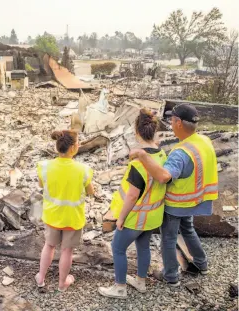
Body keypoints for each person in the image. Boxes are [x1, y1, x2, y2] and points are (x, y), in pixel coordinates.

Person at [129, 103, 218, 286]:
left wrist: (143, 156)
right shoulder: (203, 140)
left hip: (177, 202)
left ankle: (171, 276)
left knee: (168, 238)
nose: (169, 123)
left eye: (171, 120)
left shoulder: (180, 153)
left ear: (178, 122)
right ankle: (202, 264)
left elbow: (163, 176)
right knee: (188, 229)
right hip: (195, 199)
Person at [98, 109, 167, 299]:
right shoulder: (162, 155)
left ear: (136, 133)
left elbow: (131, 196)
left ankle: (119, 287)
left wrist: (120, 218)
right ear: (154, 132)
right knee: (143, 247)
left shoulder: (138, 163)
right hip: (153, 215)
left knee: (118, 248)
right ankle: (141, 281)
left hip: (135, 216)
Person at [35, 130, 94, 291]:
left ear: (57, 147)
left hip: (52, 215)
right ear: (74, 147)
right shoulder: (83, 170)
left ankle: (41, 278)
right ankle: (62, 283)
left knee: (49, 245)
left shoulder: (44, 166)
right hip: (72, 218)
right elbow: (90, 191)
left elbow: (41, 185)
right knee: (67, 251)